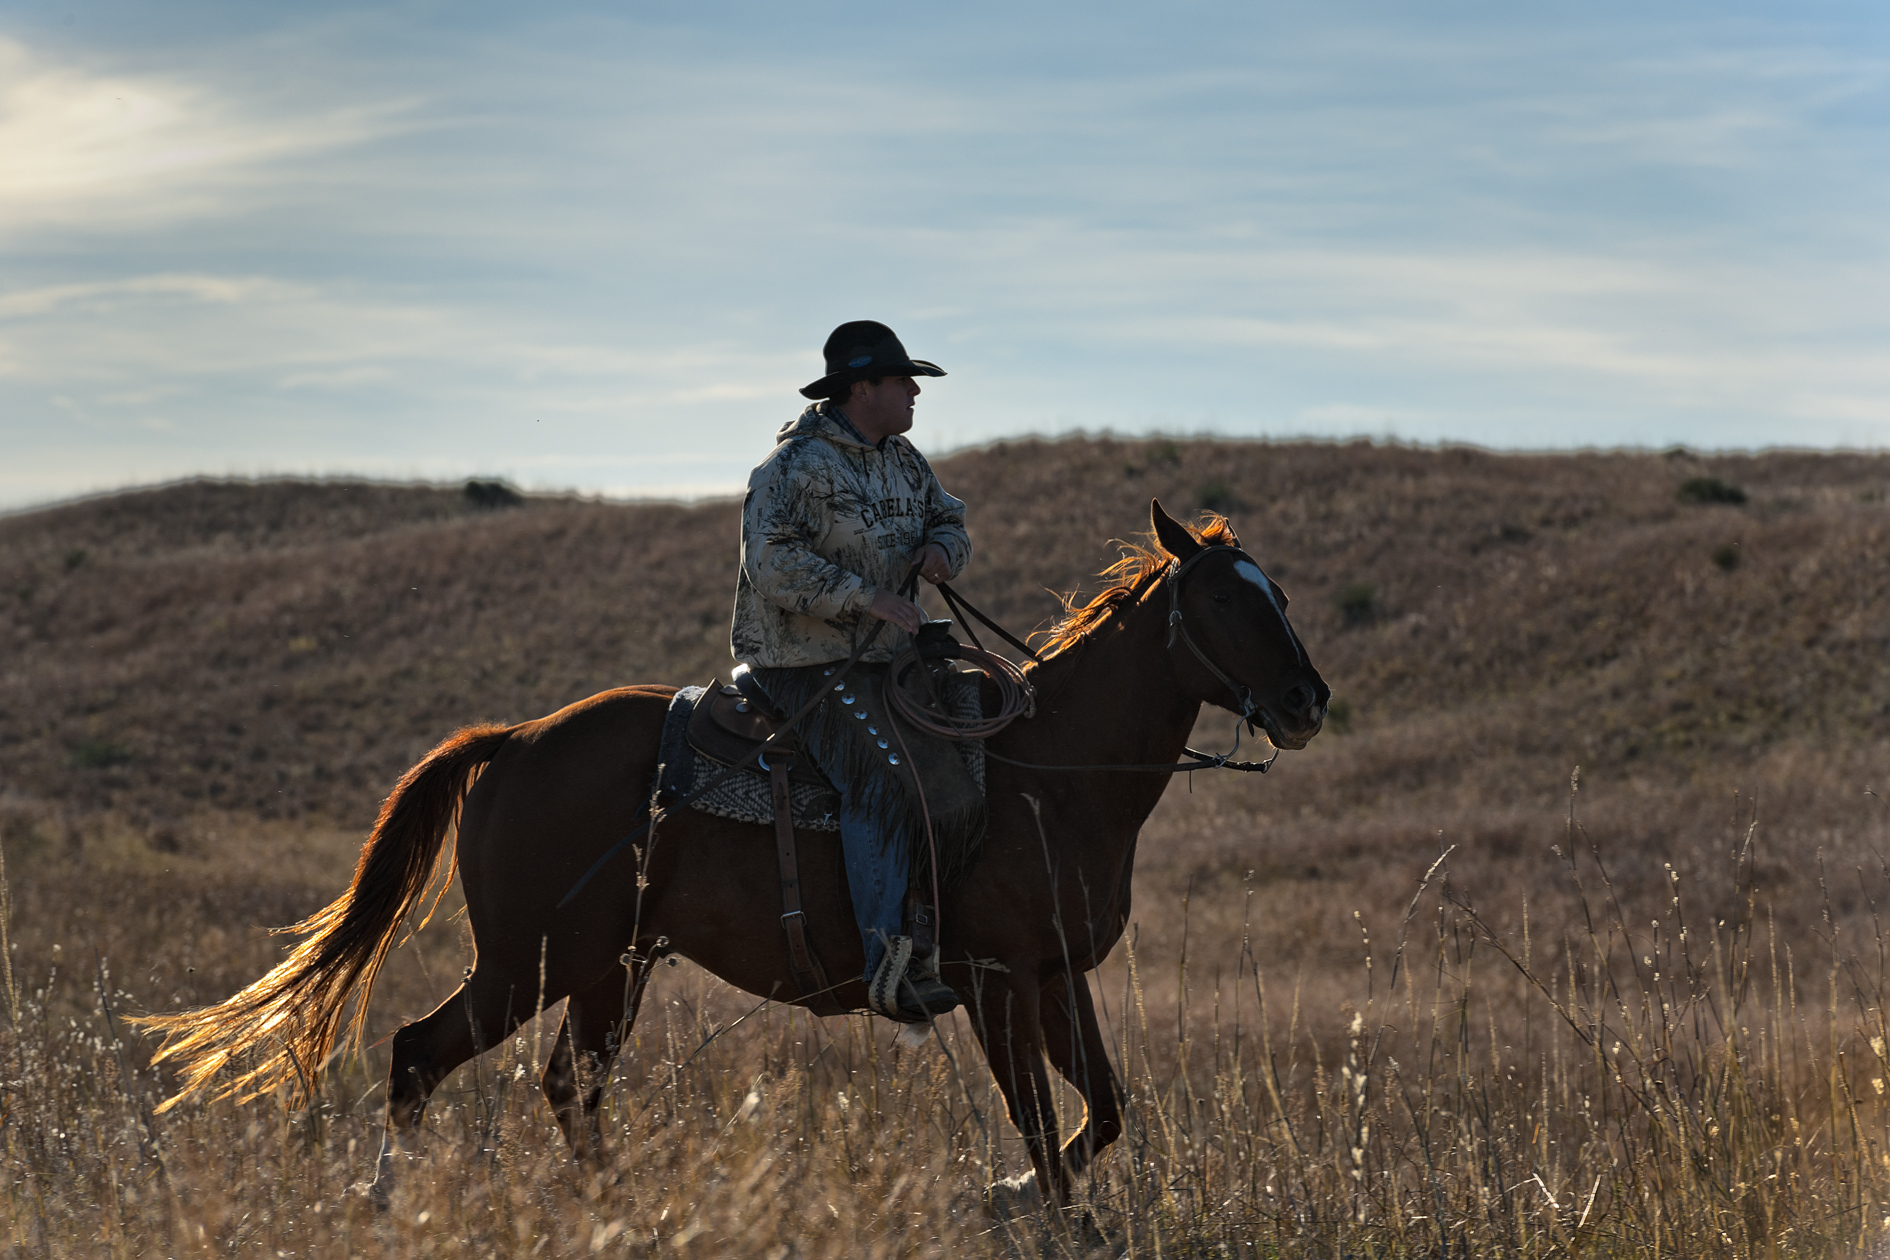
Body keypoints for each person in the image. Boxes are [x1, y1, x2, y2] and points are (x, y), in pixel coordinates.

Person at [731, 320, 969, 1022]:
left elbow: (950, 519)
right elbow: (770, 563)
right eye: (902, 381)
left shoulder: (905, 460)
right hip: (802, 662)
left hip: (885, 658)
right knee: (880, 780)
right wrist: (866, 597)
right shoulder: (791, 468)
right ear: (862, 389)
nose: (915, 392)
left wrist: (943, 550)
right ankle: (888, 964)